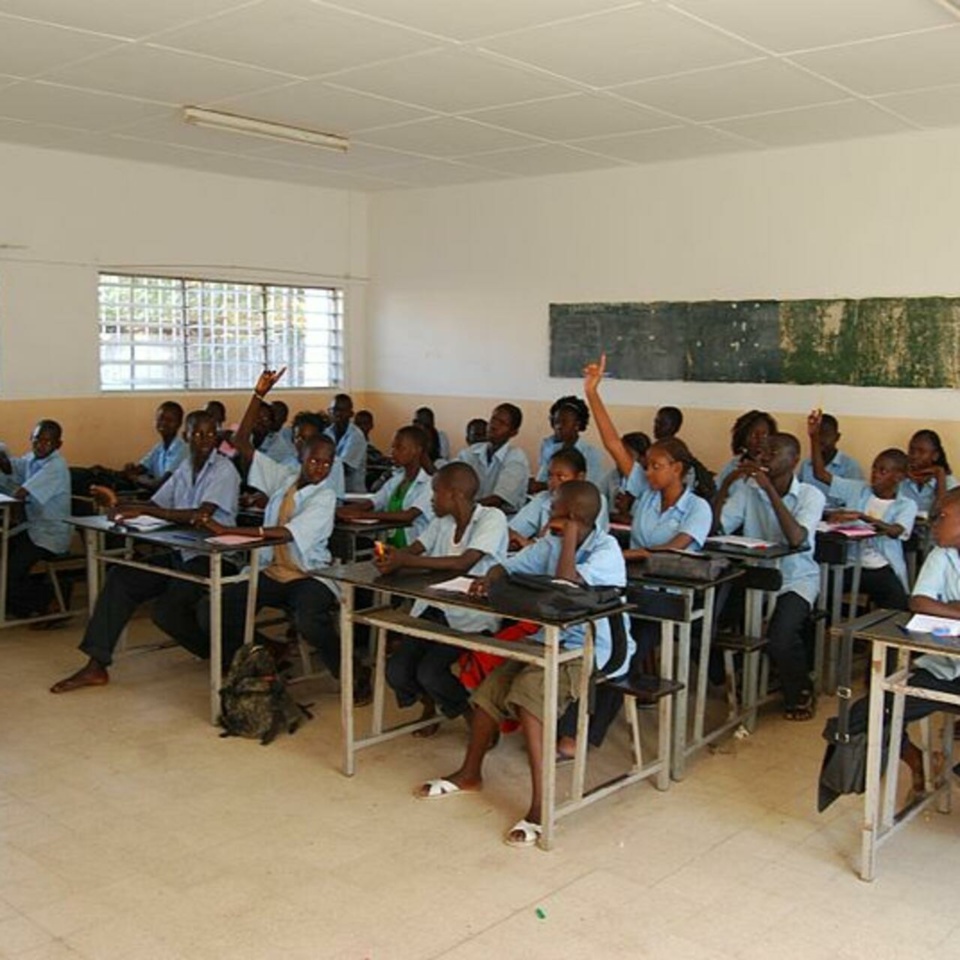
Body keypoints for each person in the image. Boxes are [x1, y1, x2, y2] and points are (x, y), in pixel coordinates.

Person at [413, 481, 634, 848]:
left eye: (555, 510)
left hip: (593, 651)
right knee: (490, 691)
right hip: (548, 641)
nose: (548, 514)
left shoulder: (606, 549)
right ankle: (470, 773)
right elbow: (505, 566)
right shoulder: (550, 543)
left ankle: (540, 807)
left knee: (529, 696)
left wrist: (568, 538)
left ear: (574, 517)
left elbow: (565, 586)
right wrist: (490, 578)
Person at [49, 410, 239, 693]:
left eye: (211, 434)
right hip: (183, 551)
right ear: (187, 435)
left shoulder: (224, 470)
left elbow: (200, 516)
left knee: (166, 611)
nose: (205, 440)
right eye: (198, 434)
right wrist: (115, 506)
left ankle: (229, 655)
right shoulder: (185, 469)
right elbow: (153, 504)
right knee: (122, 577)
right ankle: (96, 665)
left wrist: (146, 509)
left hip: (215, 557)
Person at [197, 370, 343, 677]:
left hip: (308, 575)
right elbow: (240, 441)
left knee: (309, 620)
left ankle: (348, 670)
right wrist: (258, 394)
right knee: (217, 605)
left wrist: (228, 531)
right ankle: (256, 663)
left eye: (327, 463)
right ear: (300, 456)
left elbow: (284, 533)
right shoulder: (284, 478)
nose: (321, 468)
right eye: (314, 460)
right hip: (273, 572)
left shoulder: (325, 496)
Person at [841, 489, 960, 798]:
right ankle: (915, 760)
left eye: (942, 517)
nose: (934, 523)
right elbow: (919, 602)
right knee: (869, 712)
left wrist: (949, 609)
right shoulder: (942, 554)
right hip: (943, 667)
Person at [376, 462, 508, 734]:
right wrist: (393, 557)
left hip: (470, 614)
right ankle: (430, 703)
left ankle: (466, 713)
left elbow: (463, 563)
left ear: (455, 494)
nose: (431, 500)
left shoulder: (491, 518)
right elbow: (415, 549)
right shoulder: (441, 522)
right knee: (397, 670)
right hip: (433, 607)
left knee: (430, 672)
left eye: (436, 493)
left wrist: (406, 559)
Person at [715, 432, 825, 720]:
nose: (763, 458)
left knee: (780, 637)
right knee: (708, 624)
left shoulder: (811, 496)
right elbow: (716, 529)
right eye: (762, 452)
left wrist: (770, 491)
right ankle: (736, 680)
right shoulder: (747, 489)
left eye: (772, 453)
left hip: (797, 580)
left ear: (794, 460)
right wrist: (727, 485)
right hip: (756, 579)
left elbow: (797, 539)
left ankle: (800, 689)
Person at [583, 357, 712, 560]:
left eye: (656, 466)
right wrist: (591, 392)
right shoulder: (646, 491)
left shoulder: (698, 507)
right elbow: (613, 444)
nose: (648, 472)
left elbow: (672, 549)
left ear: (676, 468)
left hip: (672, 585)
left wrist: (622, 555)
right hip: (631, 578)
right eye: (647, 466)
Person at [807, 410, 915, 610]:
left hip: (881, 567)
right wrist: (813, 437)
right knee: (817, 591)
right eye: (874, 468)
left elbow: (895, 531)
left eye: (882, 471)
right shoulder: (858, 488)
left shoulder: (906, 504)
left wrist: (861, 516)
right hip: (849, 563)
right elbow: (820, 473)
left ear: (898, 477)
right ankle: (818, 635)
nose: (875, 475)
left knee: (898, 604)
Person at [0, 420, 71, 619]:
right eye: (37, 439)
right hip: (31, 528)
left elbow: (21, 494)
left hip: (48, 534)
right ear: (31, 439)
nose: (40, 445)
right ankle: (23, 605)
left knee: (8, 572)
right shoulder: (33, 459)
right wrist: (3, 461)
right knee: (5, 559)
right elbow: (13, 467)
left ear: (58, 445)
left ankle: (51, 599)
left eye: (47, 442)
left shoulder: (55, 466)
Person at [337, 425, 434, 545]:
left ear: (417, 450)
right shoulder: (396, 480)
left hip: (416, 551)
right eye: (393, 447)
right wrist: (339, 512)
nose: (393, 453)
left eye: (399, 448)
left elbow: (408, 516)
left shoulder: (429, 484)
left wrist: (361, 515)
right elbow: (372, 503)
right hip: (393, 548)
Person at [509, 447, 608, 550]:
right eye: (550, 476)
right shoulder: (543, 498)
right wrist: (515, 539)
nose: (553, 482)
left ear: (580, 477)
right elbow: (514, 529)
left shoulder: (595, 500)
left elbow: (574, 546)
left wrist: (527, 543)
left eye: (561, 477)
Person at [456, 403, 529, 512]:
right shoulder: (472, 451)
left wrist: (464, 508)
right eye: (493, 419)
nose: (494, 426)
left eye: (502, 423)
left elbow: (498, 500)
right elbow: (451, 476)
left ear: (513, 432)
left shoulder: (516, 457)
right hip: (471, 512)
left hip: (501, 517)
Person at [529, 396, 604, 493]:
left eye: (564, 422)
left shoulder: (591, 453)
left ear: (577, 425)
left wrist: (543, 486)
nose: (558, 426)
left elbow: (589, 486)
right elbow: (543, 477)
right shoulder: (550, 447)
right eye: (556, 422)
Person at [798, 412, 863, 508]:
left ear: (837, 437)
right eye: (818, 434)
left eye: (826, 434)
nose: (820, 439)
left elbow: (855, 500)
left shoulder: (850, 466)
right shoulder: (806, 465)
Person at [715, 409, 778, 488]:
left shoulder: (776, 466)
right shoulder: (734, 465)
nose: (760, 440)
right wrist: (730, 479)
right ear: (743, 439)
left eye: (765, 435)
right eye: (754, 435)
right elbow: (716, 495)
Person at [900, 429, 958, 516]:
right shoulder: (901, 478)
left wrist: (940, 475)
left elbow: (940, 514)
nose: (914, 456)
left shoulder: (950, 483)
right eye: (911, 450)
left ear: (935, 456)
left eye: (921, 451)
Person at [325, 393, 367, 493]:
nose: (338, 414)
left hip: (352, 494)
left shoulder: (356, 436)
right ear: (329, 412)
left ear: (351, 414)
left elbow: (345, 468)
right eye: (335, 410)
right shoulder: (326, 433)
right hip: (333, 490)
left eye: (342, 410)